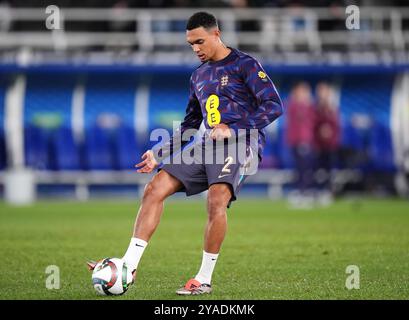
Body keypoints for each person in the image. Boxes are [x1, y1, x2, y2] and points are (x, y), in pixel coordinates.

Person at [88, 11, 283, 295]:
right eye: (191, 44)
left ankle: (203, 279)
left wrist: (234, 127)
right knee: (155, 188)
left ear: (216, 34)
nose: (195, 49)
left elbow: (274, 105)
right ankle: (128, 265)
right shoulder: (198, 76)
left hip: (243, 142)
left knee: (216, 199)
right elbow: (191, 124)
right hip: (207, 144)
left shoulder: (245, 64)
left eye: (200, 42)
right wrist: (159, 153)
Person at [286, 81, 315, 208]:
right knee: (299, 168)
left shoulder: (309, 106)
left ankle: (305, 192)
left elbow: (311, 122)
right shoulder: (293, 105)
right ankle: (300, 191)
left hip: (305, 140)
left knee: (304, 168)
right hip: (296, 140)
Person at [313, 82, 340, 205]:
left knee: (329, 169)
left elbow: (336, 126)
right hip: (318, 144)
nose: (322, 94)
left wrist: (329, 131)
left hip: (330, 144)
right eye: (320, 92)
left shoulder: (332, 108)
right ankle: (319, 191)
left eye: (324, 92)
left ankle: (328, 191)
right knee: (319, 170)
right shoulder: (316, 108)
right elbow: (313, 124)